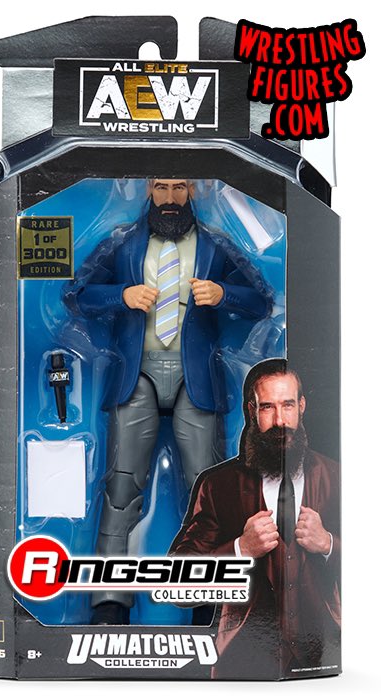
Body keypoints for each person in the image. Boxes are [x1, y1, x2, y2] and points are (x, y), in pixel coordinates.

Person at [64, 179, 273, 624]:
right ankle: (109, 601)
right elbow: (76, 295)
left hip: (194, 379)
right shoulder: (122, 243)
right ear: (148, 190)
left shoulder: (216, 246)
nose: (172, 198)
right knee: (121, 489)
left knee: (208, 489)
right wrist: (121, 295)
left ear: (193, 190)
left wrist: (224, 294)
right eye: (162, 187)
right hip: (135, 375)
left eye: (180, 188)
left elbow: (262, 301)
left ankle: (212, 596)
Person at [169, 359, 340, 678]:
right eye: (267, 407)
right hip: (241, 662)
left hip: (324, 656)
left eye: (288, 405)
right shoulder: (218, 485)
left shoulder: (336, 476)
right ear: (252, 411)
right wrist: (239, 550)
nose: (280, 420)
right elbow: (178, 584)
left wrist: (328, 544)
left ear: (302, 406)